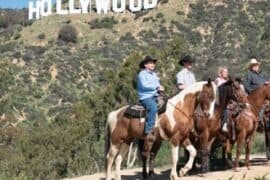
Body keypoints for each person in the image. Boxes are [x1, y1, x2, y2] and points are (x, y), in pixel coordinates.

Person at [137, 56, 164, 141]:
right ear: (145, 65)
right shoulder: (142, 74)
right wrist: (157, 87)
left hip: (156, 96)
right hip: (146, 97)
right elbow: (144, 86)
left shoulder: (154, 74)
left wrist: (160, 87)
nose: (153, 64)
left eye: (153, 63)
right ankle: (149, 130)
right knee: (153, 108)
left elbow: (157, 84)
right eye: (151, 63)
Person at [243, 58, 269, 124]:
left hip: (265, 95)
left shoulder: (262, 74)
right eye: (254, 65)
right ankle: (259, 121)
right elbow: (246, 86)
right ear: (251, 67)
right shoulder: (249, 74)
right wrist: (253, 93)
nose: (256, 66)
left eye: (256, 65)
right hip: (255, 97)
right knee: (259, 106)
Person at [215, 66, 230, 132]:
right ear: (221, 73)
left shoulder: (227, 81)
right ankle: (224, 124)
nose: (227, 73)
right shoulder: (217, 80)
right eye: (225, 72)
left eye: (227, 72)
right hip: (219, 100)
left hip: (226, 101)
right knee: (226, 110)